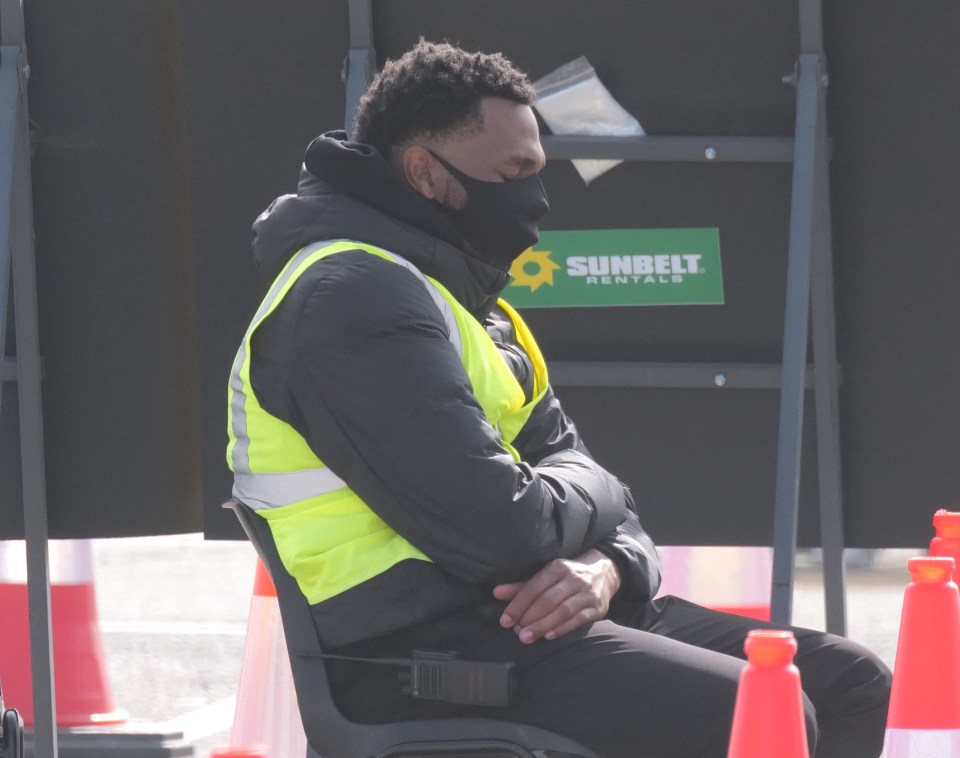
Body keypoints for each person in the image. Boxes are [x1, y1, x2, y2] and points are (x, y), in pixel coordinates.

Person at [227, 39, 890, 757]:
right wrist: (586, 513)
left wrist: (606, 567)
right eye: (513, 173)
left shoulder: (464, 299)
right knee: (759, 711)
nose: (536, 197)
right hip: (421, 650)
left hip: (526, 618)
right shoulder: (350, 300)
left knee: (850, 682)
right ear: (424, 172)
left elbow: (598, 487)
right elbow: (502, 532)